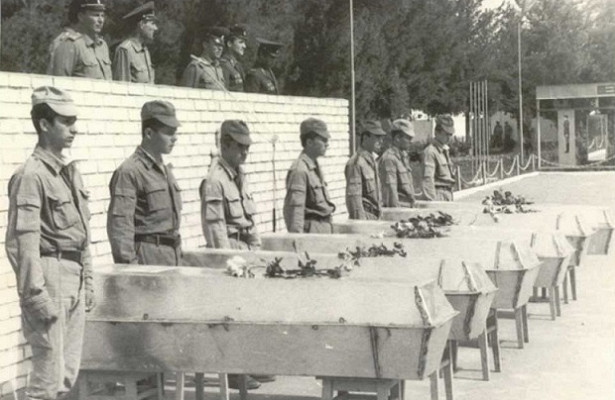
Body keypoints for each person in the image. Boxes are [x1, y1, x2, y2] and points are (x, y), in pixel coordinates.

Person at [5, 86, 95, 400]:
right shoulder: (31, 176)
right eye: (65, 122)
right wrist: (35, 295)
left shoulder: (69, 173)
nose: (74, 129)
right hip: (50, 276)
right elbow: (22, 243)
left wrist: (88, 280)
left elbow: (82, 234)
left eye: (74, 121)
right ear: (44, 124)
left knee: (65, 376)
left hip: (73, 277)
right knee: (47, 377)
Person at [200, 120, 267, 390]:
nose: (245, 152)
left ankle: (249, 364)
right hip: (231, 255)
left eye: (247, 147)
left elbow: (251, 220)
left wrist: (257, 253)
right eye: (240, 147)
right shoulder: (215, 181)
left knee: (249, 313)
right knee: (231, 315)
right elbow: (215, 228)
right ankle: (233, 372)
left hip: (246, 252)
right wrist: (227, 263)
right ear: (225, 145)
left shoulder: (239, 175)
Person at [106, 100, 182, 266]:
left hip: (172, 257)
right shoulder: (129, 172)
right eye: (169, 132)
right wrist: (132, 271)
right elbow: (120, 229)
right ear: (149, 133)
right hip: (147, 259)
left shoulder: (165, 171)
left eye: (175, 132)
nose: (175, 138)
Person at [283, 118, 336, 233]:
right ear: (309, 142)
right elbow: (295, 212)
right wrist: (298, 240)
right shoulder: (300, 170)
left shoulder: (314, 168)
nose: (327, 144)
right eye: (323, 140)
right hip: (312, 233)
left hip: (323, 230)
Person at [48, 0, 112, 80]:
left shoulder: (102, 46)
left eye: (102, 16)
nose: (101, 20)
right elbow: (59, 82)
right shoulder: (70, 44)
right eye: (95, 15)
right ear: (81, 17)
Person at [345, 120, 386, 219]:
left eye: (381, 138)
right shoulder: (356, 163)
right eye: (377, 137)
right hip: (365, 217)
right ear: (366, 138)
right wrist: (361, 224)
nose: (381, 141)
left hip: (375, 217)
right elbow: (354, 200)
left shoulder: (372, 161)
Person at [113, 1, 157, 83]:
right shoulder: (125, 50)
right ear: (142, 25)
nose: (155, 28)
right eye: (152, 23)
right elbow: (122, 86)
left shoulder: (145, 50)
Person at [379, 119, 416, 208]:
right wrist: (397, 213)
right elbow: (391, 194)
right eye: (408, 138)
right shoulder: (390, 159)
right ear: (397, 138)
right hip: (399, 210)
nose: (411, 141)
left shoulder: (403, 157)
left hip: (408, 208)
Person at [422, 114, 456, 201]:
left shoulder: (444, 151)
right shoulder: (430, 152)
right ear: (436, 132)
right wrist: (432, 202)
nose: (449, 137)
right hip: (438, 194)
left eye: (450, 134)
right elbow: (428, 180)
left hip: (447, 193)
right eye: (446, 134)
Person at [220, 24, 248, 92]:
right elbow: (224, 92)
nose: (244, 46)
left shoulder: (237, 65)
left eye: (244, 43)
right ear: (229, 44)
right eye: (241, 42)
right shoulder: (224, 64)